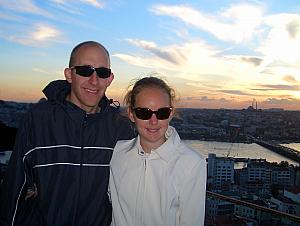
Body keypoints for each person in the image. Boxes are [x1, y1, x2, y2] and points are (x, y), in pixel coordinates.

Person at [0, 41, 135, 226]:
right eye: (85, 71)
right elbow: (14, 190)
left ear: (110, 78)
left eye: (102, 73)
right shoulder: (39, 120)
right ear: (69, 74)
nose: (94, 81)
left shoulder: (120, 128)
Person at [109, 76, 207, 226]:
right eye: (144, 112)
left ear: (171, 113)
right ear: (131, 114)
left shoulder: (192, 163)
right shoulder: (117, 153)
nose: (153, 121)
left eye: (161, 113)